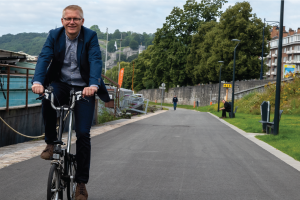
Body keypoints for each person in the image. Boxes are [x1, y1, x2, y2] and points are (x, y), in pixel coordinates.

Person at [31, 5, 109, 200]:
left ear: (82, 21)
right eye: (68, 19)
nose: (71, 22)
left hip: (84, 87)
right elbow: (43, 58)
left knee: (83, 133)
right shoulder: (54, 35)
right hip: (62, 84)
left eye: (76, 19)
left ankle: (81, 184)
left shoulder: (90, 36)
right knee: (48, 98)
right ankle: (50, 143)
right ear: (62, 21)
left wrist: (93, 85)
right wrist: (38, 81)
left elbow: (95, 60)